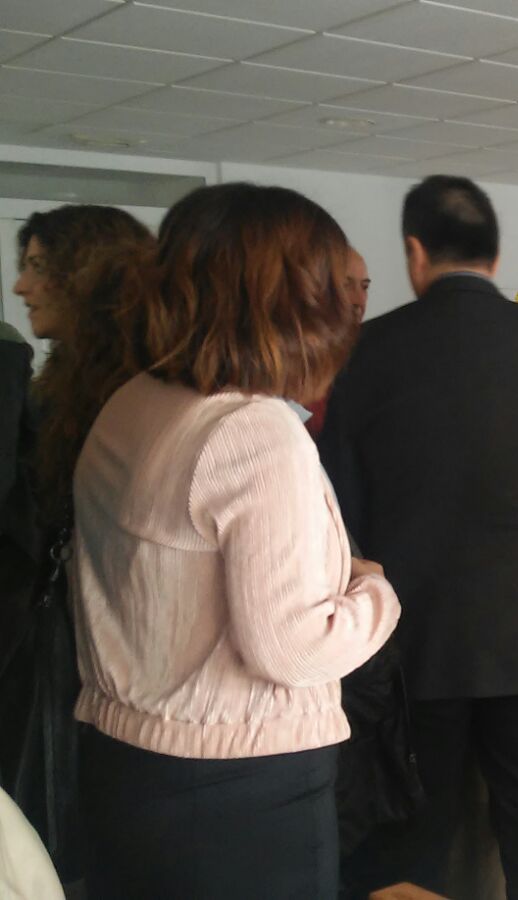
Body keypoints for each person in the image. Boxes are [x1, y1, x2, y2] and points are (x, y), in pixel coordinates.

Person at [70, 183, 401, 899]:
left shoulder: (133, 401)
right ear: (293, 297)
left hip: (125, 764)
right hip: (238, 787)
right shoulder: (252, 430)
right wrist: (377, 593)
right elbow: (293, 650)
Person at [319, 175, 518, 898]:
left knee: (416, 836)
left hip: (412, 645)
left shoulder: (366, 349)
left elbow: (339, 508)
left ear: (415, 253)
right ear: (495, 255)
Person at [1, 205, 155, 881]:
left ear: (88, 275)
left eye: (38, 267)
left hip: (99, 654)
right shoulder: (67, 386)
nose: (21, 286)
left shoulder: (130, 399)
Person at [303, 246, 370, 436]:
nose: (359, 301)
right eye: (346, 285)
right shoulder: (294, 363)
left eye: (365, 287)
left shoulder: (372, 355)